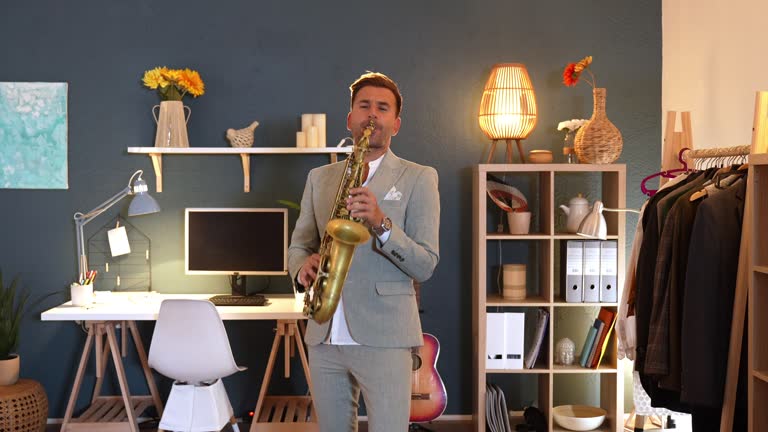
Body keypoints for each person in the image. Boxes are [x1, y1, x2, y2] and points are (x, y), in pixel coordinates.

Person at [287, 71, 440, 432]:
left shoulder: (420, 178)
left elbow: (426, 264)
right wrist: (301, 267)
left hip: (385, 336)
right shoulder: (319, 178)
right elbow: (298, 245)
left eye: (383, 108)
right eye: (364, 106)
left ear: (396, 123)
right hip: (325, 334)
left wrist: (381, 223)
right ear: (350, 119)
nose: (373, 114)